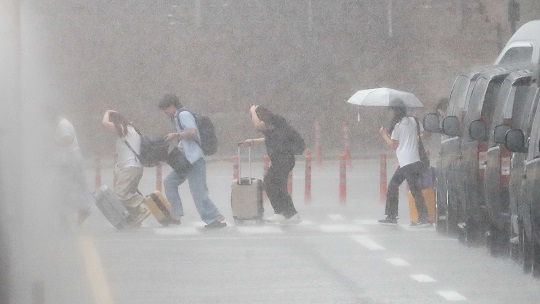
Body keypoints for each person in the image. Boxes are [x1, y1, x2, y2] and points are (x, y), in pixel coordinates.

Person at [157, 94, 226, 228]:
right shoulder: (175, 117)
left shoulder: (183, 115)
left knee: (198, 192)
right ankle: (175, 216)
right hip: (185, 159)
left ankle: (215, 218)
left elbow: (192, 132)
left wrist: (176, 135)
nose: (164, 112)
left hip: (194, 159)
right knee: (169, 182)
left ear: (172, 105)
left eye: (166, 108)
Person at [241, 105, 302, 224]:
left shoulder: (275, 121)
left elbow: (257, 126)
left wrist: (252, 111)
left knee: (273, 184)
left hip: (284, 159)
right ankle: (282, 212)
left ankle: (290, 214)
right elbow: (270, 139)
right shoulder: (274, 125)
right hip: (282, 159)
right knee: (274, 184)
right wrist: (253, 142)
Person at [378, 99, 430, 227]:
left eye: (391, 110)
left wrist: (384, 134)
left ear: (395, 111)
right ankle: (392, 216)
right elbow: (426, 134)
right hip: (413, 160)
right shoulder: (414, 121)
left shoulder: (398, 125)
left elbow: (393, 145)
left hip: (406, 162)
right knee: (397, 186)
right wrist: (415, 138)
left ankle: (423, 218)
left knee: (411, 188)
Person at [102, 110, 150, 226]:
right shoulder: (130, 130)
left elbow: (105, 123)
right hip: (134, 168)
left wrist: (107, 113)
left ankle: (142, 203)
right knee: (127, 194)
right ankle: (135, 218)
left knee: (119, 195)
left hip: (130, 168)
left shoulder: (124, 129)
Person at [50, 108, 93, 226]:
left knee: (67, 187)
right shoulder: (63, 123)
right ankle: (78, 210)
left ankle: (80, 210)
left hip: (71, 160)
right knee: (74, 186)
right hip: (71, 160)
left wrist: (52, 143)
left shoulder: (62, 124)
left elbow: (67, 140)